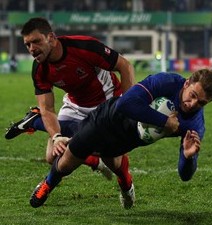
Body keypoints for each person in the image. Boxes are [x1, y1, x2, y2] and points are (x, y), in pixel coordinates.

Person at [29, 68, 212, 209]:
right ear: (187, 83)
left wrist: (188, 158)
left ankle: (126, 184)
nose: (192, 104)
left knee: (114, 164)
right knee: (66, 163)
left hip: (128, 139)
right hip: (108, 119)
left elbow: (185, 176)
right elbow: (126, 103)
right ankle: (47, 183)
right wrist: (164, 121)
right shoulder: (167, 82)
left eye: (201, 102)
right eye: (193, 95)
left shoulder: (195, 126)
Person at [6, 17, 136, 207]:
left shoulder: (83, 47)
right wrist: (57, 135)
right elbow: (47, 109)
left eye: (36, 41)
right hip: (75, 104)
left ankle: (126, 185)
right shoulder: (39, 68)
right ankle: (65, 168)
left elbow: (125, 66)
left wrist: (126, 105)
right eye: (27, 44)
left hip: (106, 102)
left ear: (51, 37)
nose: (32, 49)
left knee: (113, 161)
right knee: (53, 155)